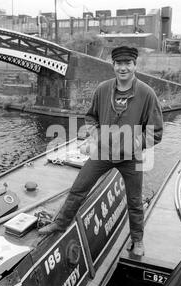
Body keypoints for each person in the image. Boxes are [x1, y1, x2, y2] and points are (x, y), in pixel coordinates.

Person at [38, 46, 163, 256]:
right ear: (113, 65)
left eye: (128, 63)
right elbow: (91, 117)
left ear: (135, 65)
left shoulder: (146, 94)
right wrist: (97, 135)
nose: (123, 68)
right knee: (78, 189)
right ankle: (59, 225)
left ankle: (137, 239)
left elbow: (156, 132)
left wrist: (132, 145)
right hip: (103, 153)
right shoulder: (103, 89)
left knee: (134, 200)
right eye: (119, 63)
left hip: (131, 159)